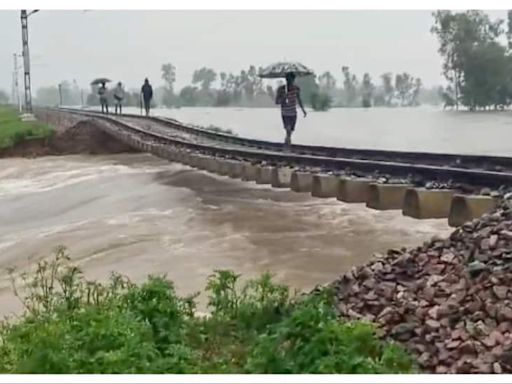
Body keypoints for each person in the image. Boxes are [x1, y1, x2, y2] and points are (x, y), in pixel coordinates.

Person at [275, 72, 307, 147]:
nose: (290, 81)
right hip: (285, 113)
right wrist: (283, 97)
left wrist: (303, 110)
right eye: (288, 79)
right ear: (286, 79)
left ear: (293, 80)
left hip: (293, 113)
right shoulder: (281, 89)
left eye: (291, 79)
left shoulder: (296, 89)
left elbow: (299, 100)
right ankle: (288, 142)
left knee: (291, 130)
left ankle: (287, 140)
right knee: (288, 129)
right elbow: (277, 102)